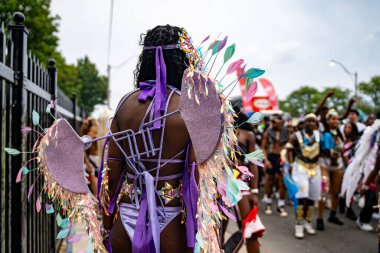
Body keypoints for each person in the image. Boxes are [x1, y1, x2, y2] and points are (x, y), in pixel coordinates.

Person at [286, 113, 321, 239]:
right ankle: (299, 224)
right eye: (309, 121)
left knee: (312, 198)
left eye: (313, 121)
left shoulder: (319, 135)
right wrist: (289, 164)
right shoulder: (296, 135)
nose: (311, 123)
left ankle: (307, 221)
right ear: (304, 122)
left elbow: (326, 150)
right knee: (301, 198)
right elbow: (287, 150)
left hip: (315, 168)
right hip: (300, 167)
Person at [232, 107, 261, 253]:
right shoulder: (216, 130)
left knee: (250, 226)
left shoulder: (247, 135)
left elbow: (253, 163)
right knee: (218, 226)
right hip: (220, 181)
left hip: (240, 181)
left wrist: (254, 191)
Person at [317, 109, 345, 230]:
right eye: (333, 118)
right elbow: (327, 151)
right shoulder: (324, 133)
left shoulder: (340, 134)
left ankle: (333, 215)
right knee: (324, 190)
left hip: (337, 165)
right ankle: (319, 218)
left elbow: (341, 151)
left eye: (337, 118)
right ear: (327, 120)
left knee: (336, 192)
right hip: (325, 164)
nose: (336, 120)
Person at [261, 114, 288, 217]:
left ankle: (281, 206)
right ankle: (268, 203)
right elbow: (264, 147)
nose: (274, 123)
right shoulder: (268, 132)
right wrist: (266, 160)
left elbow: (288, 145)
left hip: (282, 158)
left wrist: (289, 161)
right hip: (271, 157)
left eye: (277, 121)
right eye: (273, 121)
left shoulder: (285, 132)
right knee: (269, 181)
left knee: (282, 182)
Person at [80, 117, 100, 195]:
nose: (96, 132)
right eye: (92, 131)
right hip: (89, 175)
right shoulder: (85, 144)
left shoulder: (96, 142)